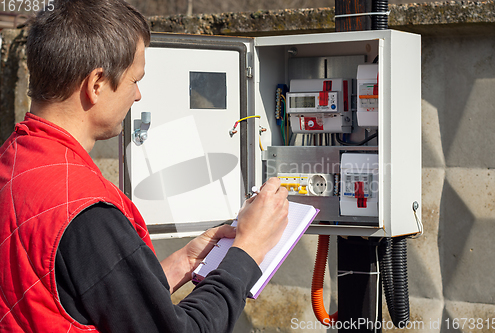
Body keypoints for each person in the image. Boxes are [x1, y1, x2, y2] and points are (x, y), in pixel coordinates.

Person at [0, 1, 289, 332]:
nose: (138, 96)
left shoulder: (14, 160)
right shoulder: (86, 213)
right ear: (96, 84)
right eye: (134, 80)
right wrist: (248, 250)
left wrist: (184, 262)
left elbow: (98, 297)